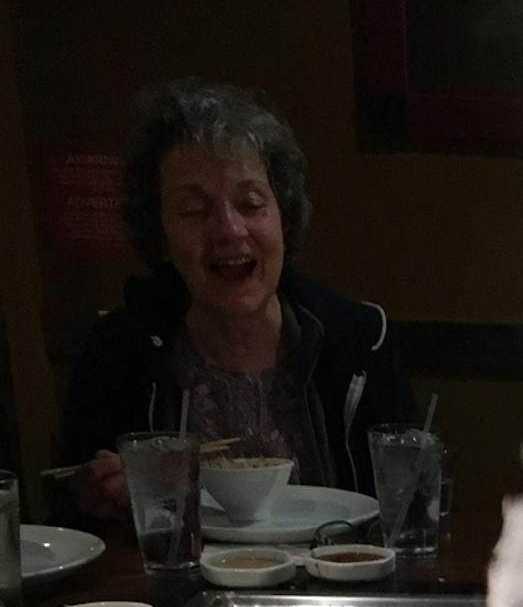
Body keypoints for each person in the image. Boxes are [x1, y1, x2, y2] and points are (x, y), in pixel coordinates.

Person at [59, 79, 416, 522]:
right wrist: (98, 499)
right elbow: (69, 519)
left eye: (250, 204)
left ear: (283, 217)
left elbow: (413, 509)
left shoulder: (360, 342)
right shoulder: (118, 353)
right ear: (161, 237)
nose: (229, 230)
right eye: (194, 210)